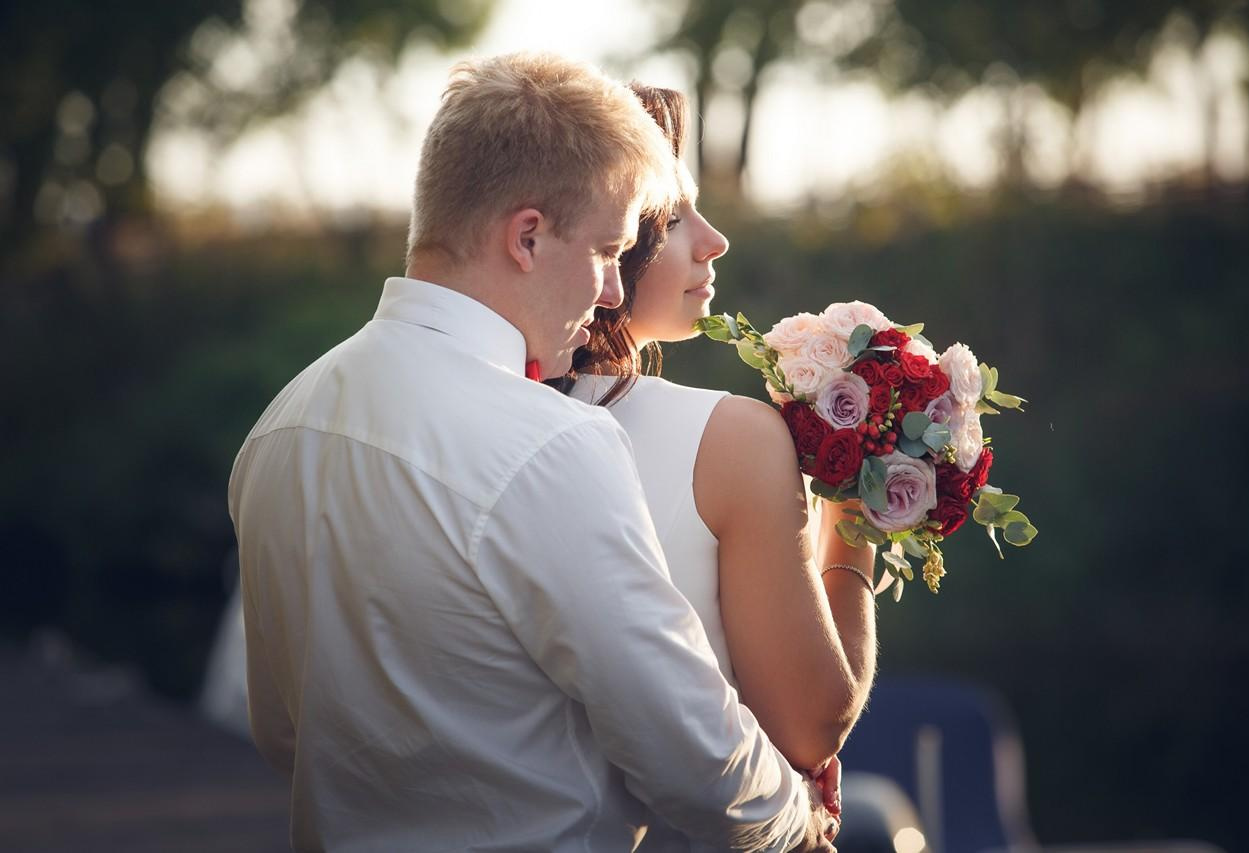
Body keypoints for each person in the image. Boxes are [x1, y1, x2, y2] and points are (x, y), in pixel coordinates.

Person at [228, 53, 838, 851]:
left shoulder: (281, 425)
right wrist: (797, 822)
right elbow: (686, 748)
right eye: (610, 251)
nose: (615, 293)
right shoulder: (554, 445)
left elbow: (282, 731)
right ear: (527, 236)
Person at [559, 85, 879, 848]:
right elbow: (809, 727)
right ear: (604, 238)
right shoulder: (731, 437)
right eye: (672, 218)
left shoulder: (487, 418)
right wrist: (857, 517)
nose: (715, 241)